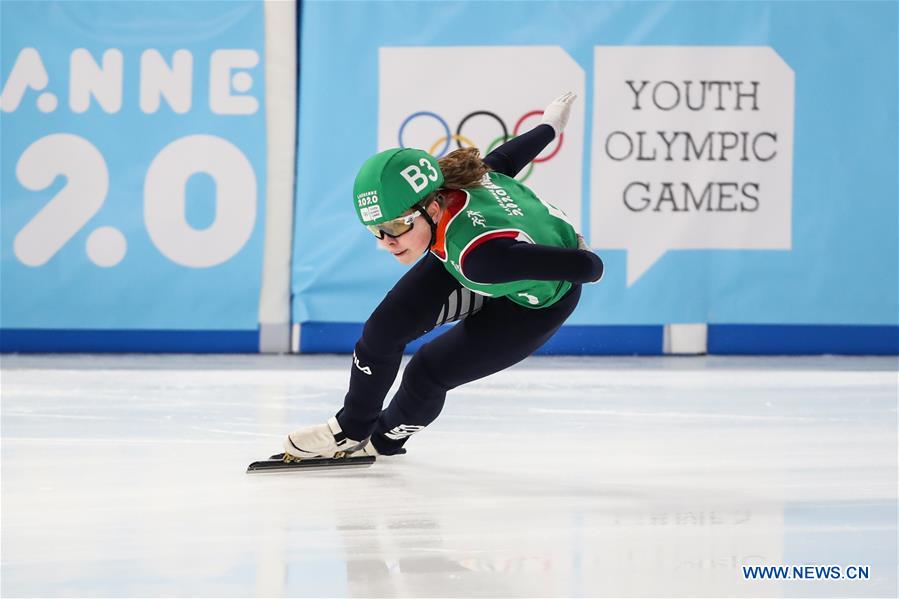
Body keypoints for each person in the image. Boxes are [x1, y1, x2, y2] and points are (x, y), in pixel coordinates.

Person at [283, 92, 603, 460]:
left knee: (427, 371)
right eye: (377, 230)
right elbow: (505, 158)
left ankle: (385, 440)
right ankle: (350, 429)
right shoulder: (463, 185)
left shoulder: (481, 260)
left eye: (397, 225)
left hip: (534, 303)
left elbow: (590, 270)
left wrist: (577, 254)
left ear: (432, 206)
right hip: (483, 252)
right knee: (382, 332)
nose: (387, 241)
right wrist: (550, 125)